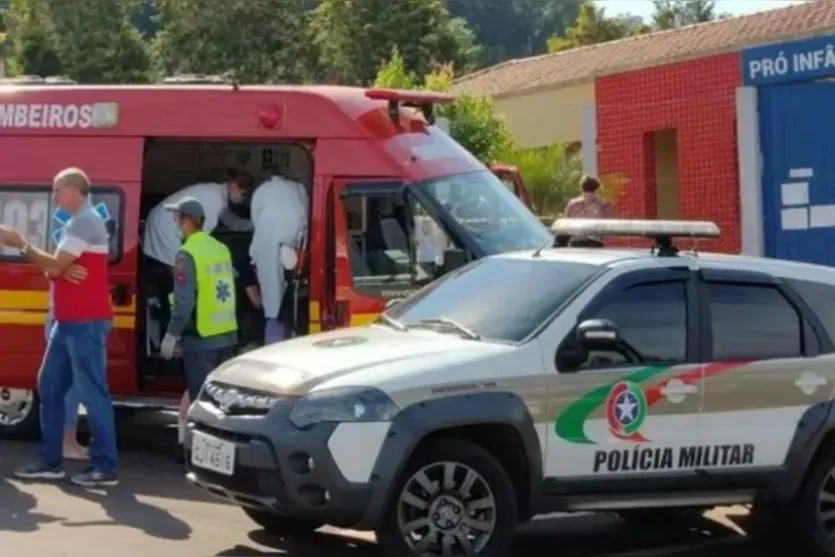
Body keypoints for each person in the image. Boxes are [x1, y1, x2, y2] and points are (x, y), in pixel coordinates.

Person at [0, 167, 118, 487]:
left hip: (84, 322)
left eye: (57, 190)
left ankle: (105, 467)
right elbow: (55, 269)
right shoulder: (77, 223)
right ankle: (50, 461)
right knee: (49, 387)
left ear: (73, 190)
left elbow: (52, 265)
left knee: (93, 394)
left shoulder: (83, 221)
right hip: (68, 322)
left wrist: (20, 243)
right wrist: (59, 270)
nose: (54, 197)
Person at [159, 197, 238, 458]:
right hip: (226, 336)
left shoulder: (187, 253)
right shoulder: (220, 248)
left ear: (188, 220)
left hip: (201, 339)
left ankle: (199, 456)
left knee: (200, 400)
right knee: (220, 400)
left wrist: (171, 335)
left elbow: (184, 302)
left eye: (177, 218)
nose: (175, 223)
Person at [143, 168, 253, 352]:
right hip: (166, 231)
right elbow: (201, 241)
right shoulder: (213, 201)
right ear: (233, 186)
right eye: (243, 193)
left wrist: (260, 224)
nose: (243, 198)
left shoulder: (217, 197)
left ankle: (175, 334)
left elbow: (234, 223)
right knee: (181, 287)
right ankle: (173, 338)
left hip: (164, 226)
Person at [249, 175, 308, 344]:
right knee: (282, 297)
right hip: (292, 244)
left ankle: (272, 334)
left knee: (272, 297)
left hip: (268, 243)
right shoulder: (298, 189)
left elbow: (255, 217)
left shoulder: (263, 191)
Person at [563, 175, 615, 247]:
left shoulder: (573, 203)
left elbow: (565, 223)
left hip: (576, 242)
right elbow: (608, 222)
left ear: (582, 187)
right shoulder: (603, 204)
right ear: (596, 187)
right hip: (595, 242)